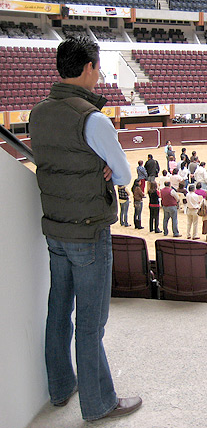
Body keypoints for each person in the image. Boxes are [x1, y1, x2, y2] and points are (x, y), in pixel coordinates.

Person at [28, 36, 141, 421]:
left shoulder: (39, 112)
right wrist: (103, 166)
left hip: (54, 226)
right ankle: (99, 403)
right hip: (89, 231)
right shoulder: (92, 118)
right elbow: (124, 174)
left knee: (58, 309)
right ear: (90, 67)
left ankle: (61, 387)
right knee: (91, 323)